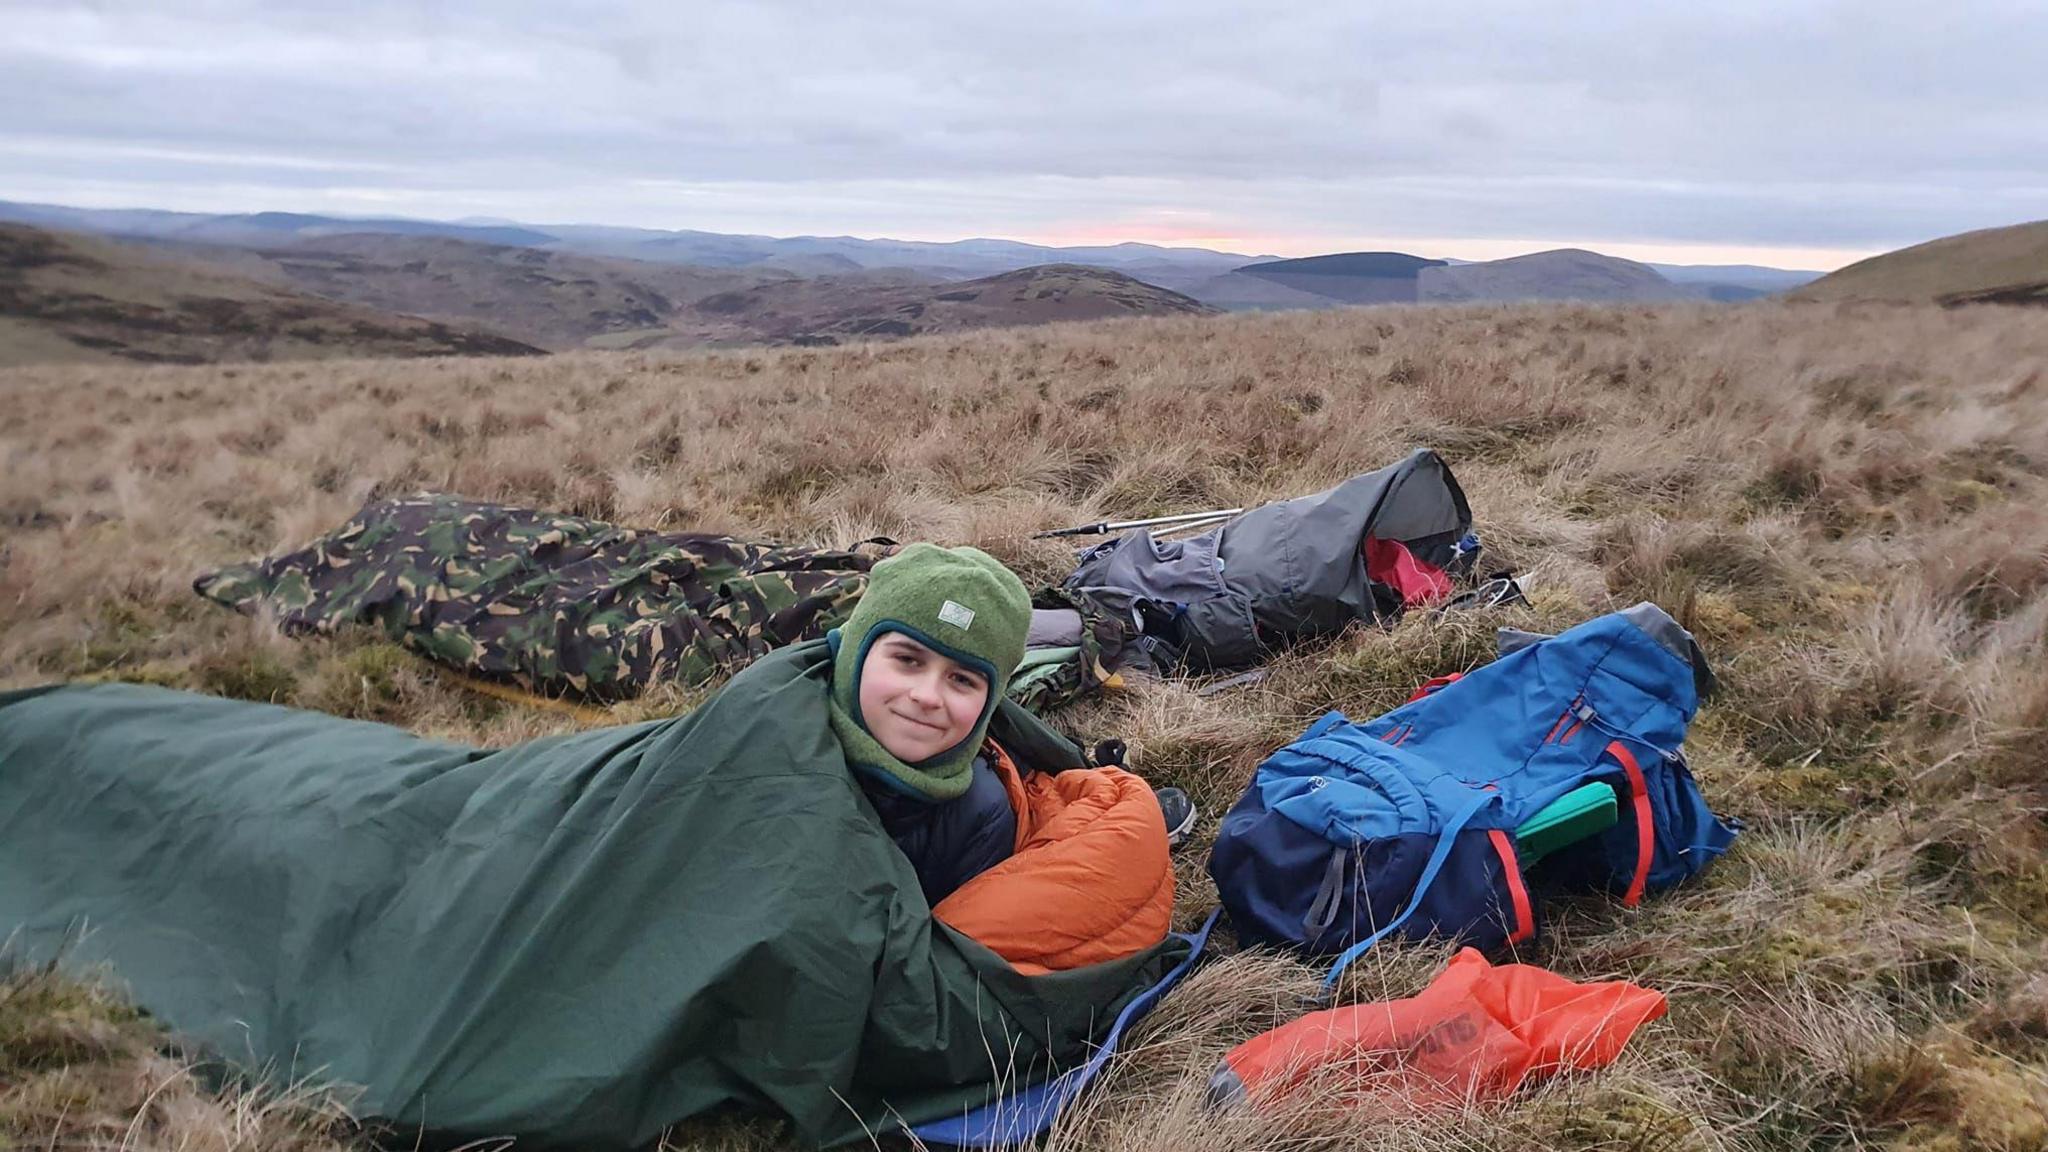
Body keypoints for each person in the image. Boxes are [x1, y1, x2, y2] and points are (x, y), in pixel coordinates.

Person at [827, 543, 1196, 907]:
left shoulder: (978, 815)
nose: (927, 696)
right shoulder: (780, 740)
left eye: (962, 680)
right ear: (853, 653)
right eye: (908, 659)